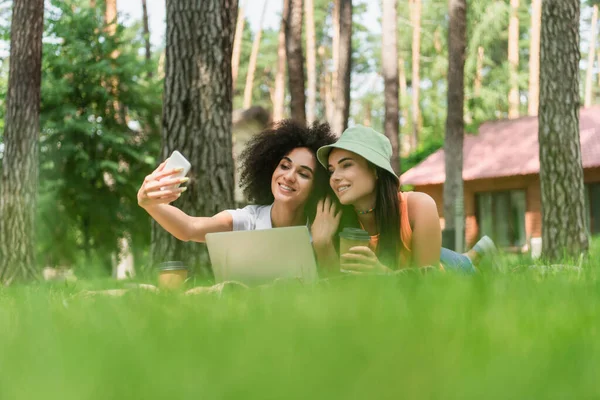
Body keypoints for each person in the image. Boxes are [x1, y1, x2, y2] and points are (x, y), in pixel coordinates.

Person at [310, 125, 494, 274]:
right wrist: (322, 245)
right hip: (413, 260)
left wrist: (382, 274)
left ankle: (470, 259)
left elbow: (429, 288)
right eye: (331, 170)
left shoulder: (419, 206)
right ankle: (475, 253)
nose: (334, 177)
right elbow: (338, 292)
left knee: (459, 265)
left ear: (375, 170)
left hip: (447, 276)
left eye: (346, 165)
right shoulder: (335, 216)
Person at [137, 120, 336, 242]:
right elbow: (190, 228)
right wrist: (148, 203)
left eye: (304, 174)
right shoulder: (248, 220)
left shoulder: (321, 228)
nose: (289, 176)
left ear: (317, 186)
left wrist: (323, 245)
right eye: (284, 165)